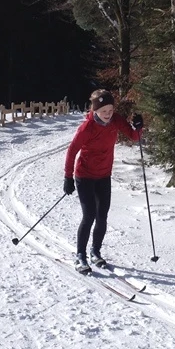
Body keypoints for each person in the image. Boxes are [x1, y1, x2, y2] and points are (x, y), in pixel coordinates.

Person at [63, 89, 144, 274]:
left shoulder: (116, 120)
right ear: (95, 111)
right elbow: (71, 151)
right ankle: (80, 256)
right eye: (103, 111)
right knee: (89, 215)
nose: (107, 114)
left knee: (102, 216)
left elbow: (133, 137)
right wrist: (68, 177)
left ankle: (95, 252)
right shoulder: (87, 128)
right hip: (84, 176)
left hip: (104, 176)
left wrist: (138, 127)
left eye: (110, 109)